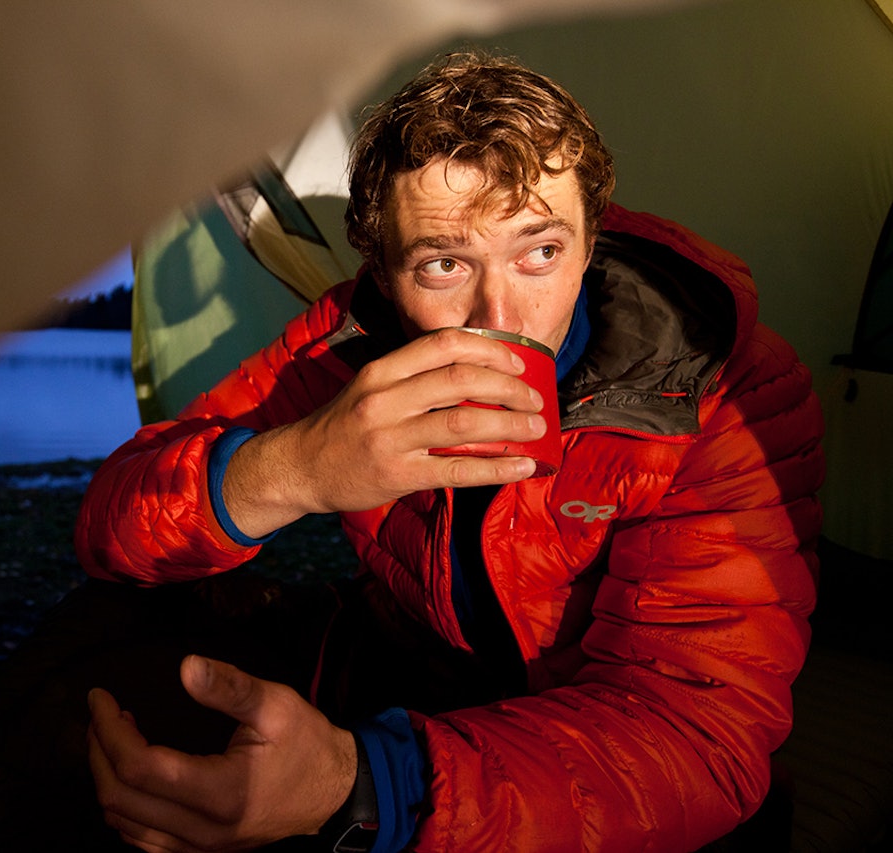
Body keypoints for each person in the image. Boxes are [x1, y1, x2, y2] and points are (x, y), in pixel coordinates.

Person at [75, 51, 824, 852]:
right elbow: (112, 523)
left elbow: (695, 729)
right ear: (384, 271)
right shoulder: (347, 345)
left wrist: (361, 784)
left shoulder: (722, 388)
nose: (499, 313)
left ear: (593, 237)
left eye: (541, 251)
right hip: (419, 671)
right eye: (443, 263)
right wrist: (295, 467)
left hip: (601, 747)